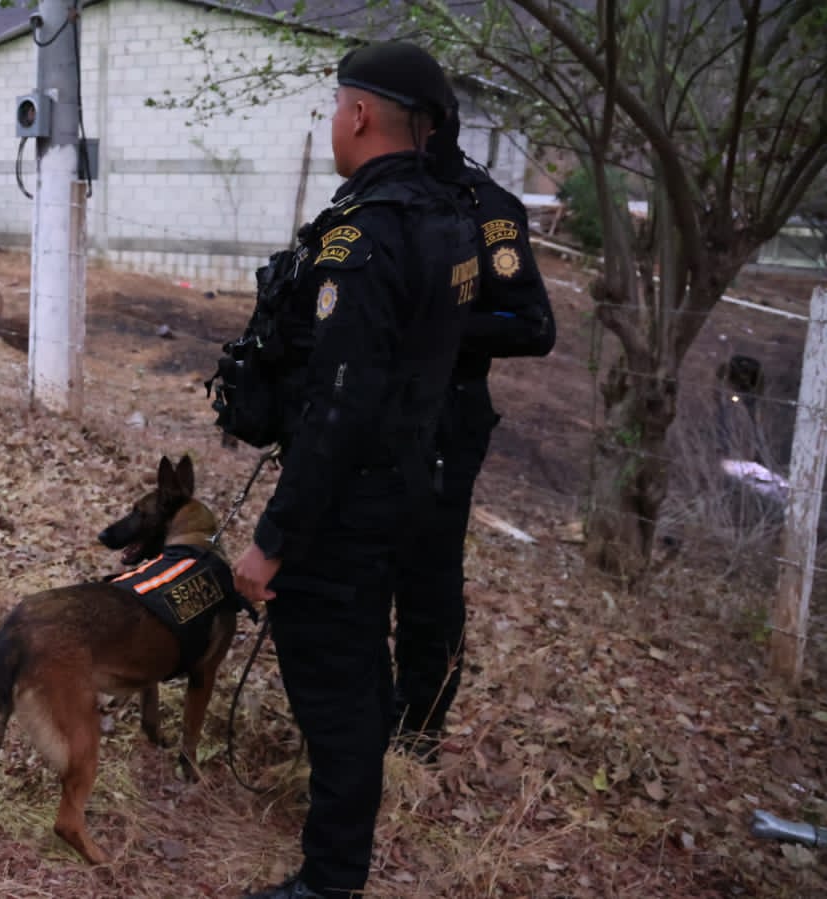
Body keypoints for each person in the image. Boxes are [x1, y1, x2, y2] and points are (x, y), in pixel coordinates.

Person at [228, 42, 480, 899]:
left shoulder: (366, 234)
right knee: (365, 681)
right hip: (410, 480)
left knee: (334, 693)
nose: (334, 121)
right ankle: (340, 860)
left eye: (337, 106)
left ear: (361, 114)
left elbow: (339, 406)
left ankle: (329, 882)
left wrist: (273, 538)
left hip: (347, 500)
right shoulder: (447, 215)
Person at [390, 101, 555, 760]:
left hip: (445, 417)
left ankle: (418, 730)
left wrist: (435, 330)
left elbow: (533, 326)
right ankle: (365, 717)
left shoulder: (486, 209)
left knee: (426, 580)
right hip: (374, 415)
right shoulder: (384, 196)